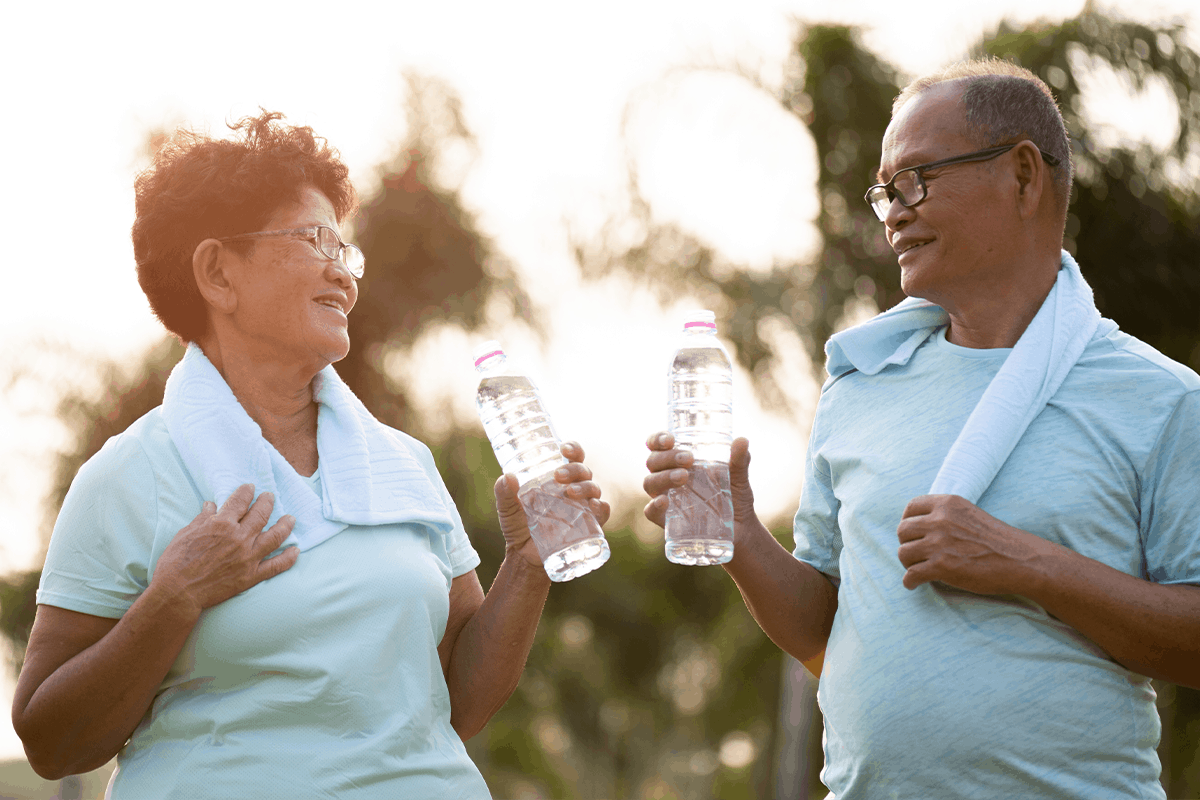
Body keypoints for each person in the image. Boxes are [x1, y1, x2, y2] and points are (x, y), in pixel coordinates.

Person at [644, 59, 1200, 797]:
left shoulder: (1158, 398)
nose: (894, 212)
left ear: (1023, 177)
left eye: (916, 180)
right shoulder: (860, 385)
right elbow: (822, 630)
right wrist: (740, 531)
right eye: (885, 192)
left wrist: (1025, 563)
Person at [12, 111, 608, 798]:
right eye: (313, 240)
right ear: (216, 272)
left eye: (343, 249)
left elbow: (458, 703)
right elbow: (51, 741)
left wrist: (527, 567)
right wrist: (174, 598)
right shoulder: (131, 475)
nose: (344, 276)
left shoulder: (402, 463)